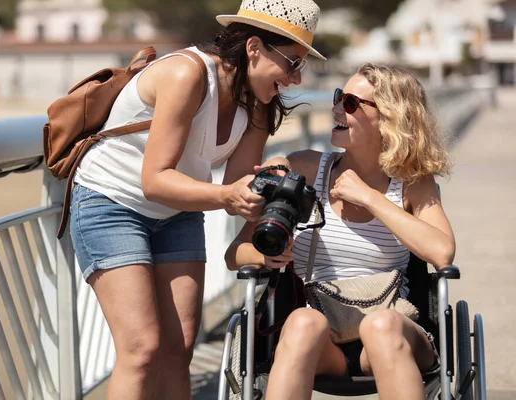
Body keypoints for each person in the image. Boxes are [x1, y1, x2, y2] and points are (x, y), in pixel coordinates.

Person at [68, 0, 327, 399]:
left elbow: (241, 185)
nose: (296, 79)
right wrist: (227, 194)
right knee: (141, 348)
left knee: (180, 347)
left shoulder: (257, 102)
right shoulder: (186, 74)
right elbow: (155, 181)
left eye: (301, 66)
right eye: (292, 63)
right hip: (111, 202)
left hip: (179, 209)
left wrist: (270, 195)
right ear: (254, 47)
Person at [225, 63, 456, 400]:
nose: (335, 108)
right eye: (338, 97)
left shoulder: (412, 184)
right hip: (322, 339)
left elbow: (442, 251)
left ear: (391, 119)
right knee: (303, 322)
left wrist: (370, 198)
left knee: (381, 325)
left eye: (350, 103)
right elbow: (234, 254)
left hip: (393, 332)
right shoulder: (307, 169)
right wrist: (267, 254)